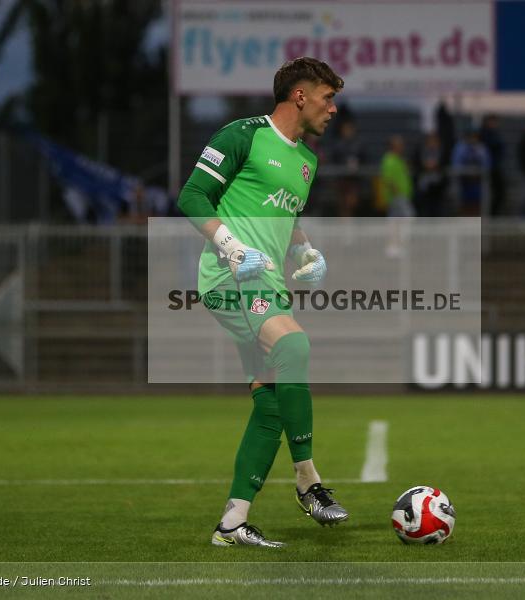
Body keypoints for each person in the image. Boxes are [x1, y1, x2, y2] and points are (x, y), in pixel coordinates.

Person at [177, 57, 348, 548]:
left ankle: (232, 523)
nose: (333, 109)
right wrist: (229, 247)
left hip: (269, 286)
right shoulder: (241, 135)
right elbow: (192, 198)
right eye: (327, 97)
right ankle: (308, 480)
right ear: (300, 95)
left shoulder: (307, 160)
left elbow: (284, 217)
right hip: (230, 278)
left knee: (271, 405)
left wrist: (306, 249)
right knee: (294, 349)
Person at [330, 120, 365, 218]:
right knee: (342, 205)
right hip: (341, 179)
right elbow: (334, 160)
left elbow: (364, 159)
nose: (347, 131)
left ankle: (350, 224)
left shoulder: (358, 144)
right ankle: (343, 225)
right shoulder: (338, 145)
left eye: (349, 129)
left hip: (354, 180)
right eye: (345, 129)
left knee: (352, 204)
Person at [451, 128, 490, 217]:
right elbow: (456, 164)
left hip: (477, 182)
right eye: (471, 137)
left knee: (477, 203)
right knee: (463, 203)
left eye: (475, 137)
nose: (473, 139)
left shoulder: (481, 148)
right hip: (463, 181)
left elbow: (486, 164)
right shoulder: (460, 147)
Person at [479, 114, 507, 216]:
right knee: (492, 193)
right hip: (489, 168)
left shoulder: (493, 134)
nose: (495, 124)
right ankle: (490, 215)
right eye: (493, 122)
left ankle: (492, 214)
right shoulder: (485, 134)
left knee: (499, 193)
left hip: (495, 167)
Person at [415, 132, 447, 217]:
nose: (432, 143)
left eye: (434, 141)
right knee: (425, 209)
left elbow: (444, 164)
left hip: (437, 187)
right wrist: (425, 165)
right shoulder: (421, 151)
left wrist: (436, 165)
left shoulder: (441, 152)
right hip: (425, 187)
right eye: (430, 141)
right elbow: (417, 163)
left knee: (437, 209)